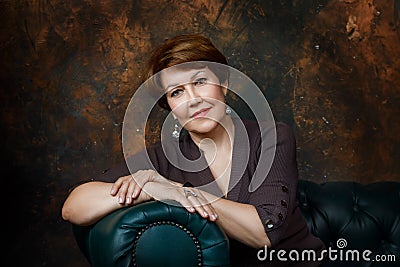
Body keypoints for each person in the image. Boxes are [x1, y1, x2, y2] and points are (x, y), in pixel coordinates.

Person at [62, 34, 325, 266]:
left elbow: (264, 233)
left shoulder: (271, 136)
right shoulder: (164, 156)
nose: (193, 99)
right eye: (177, 92)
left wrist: (177, 192)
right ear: (170, 108)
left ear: (223, 83)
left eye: (200, 81)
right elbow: (74, 206)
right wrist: (153, 190)